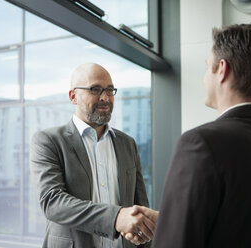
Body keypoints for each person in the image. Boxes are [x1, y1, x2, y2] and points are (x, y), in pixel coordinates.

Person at [149, 24, 251, 247]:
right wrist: (169, 220)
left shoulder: (200, 143)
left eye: (206, 67)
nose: (203, 78)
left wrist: (171, 227)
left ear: (222, 69)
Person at [30, 63, 158, 248]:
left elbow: (140, 207)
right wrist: (116, 218)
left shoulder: (127, 143)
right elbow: (53, 202)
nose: (105, 97)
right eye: (95, 89)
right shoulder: (48, 141)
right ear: (73, 96)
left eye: (110, 90)